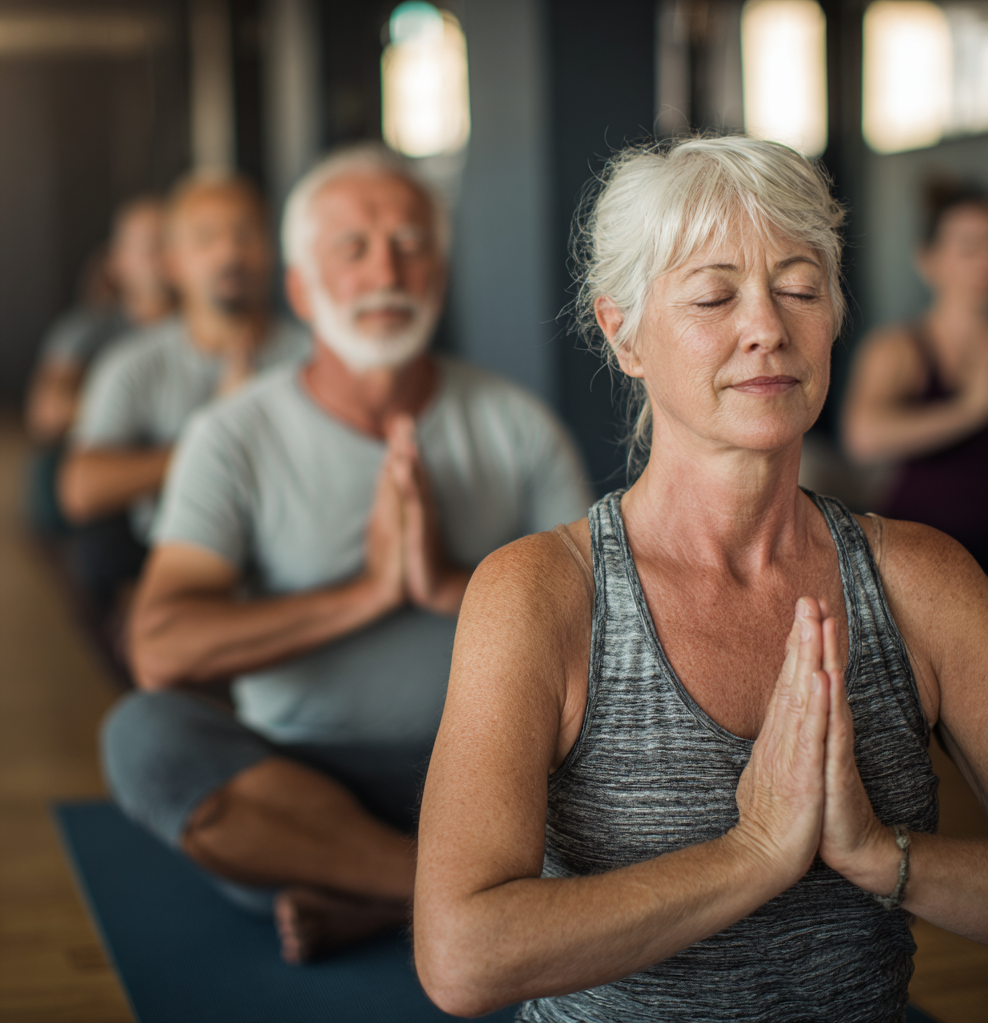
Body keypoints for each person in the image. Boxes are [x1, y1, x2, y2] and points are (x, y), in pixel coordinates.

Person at [413, 138, 988, 1021]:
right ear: (622, 334)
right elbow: (462, 956)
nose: (767, 326)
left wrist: (883, 855)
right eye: (713, 294)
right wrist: (756, 852)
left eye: (800, 287)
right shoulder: (542, 595)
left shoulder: (923, 581)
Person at [100, 145, 591, 964]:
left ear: (440, 268)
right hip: (301, 791)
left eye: (409, 243)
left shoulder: (516, 423)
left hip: (496, 776)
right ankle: (442, 895)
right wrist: (366, 590)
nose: (385, 271)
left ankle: (387, 897)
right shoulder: (232, 436)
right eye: (352, 249)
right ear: (300, 287)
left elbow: (604, 634)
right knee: (144, 737)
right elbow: (159, 649)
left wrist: (441, 585)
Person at [58, 174, 309, 618]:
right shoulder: (133, 364)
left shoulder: (315, 357)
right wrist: (214, 433)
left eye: (246, 234)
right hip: (173, 562)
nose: (230, 252)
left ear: (272, 250)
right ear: (173, 263)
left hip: (295, 564)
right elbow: (80, 488)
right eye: (206, 238)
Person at [842, 180, 988, 615]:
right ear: (929, 260)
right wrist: (970, 410)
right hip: (918, 556)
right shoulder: (899, 348)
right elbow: (862, 438)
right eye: (969, 247)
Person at [24, 197, 173, 534]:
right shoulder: (86, 330)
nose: (159, 257)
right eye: (146, 246)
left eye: (167, 243)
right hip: (112, 463)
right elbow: (47, 411)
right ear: (117, 260)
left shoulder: (197, 332)